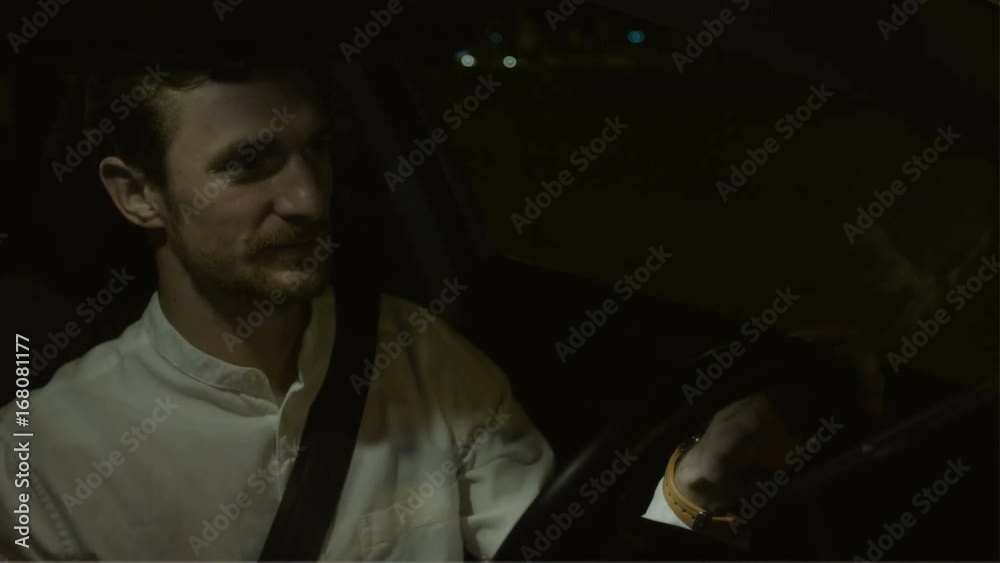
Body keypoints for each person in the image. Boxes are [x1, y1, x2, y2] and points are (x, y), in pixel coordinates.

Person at [0, 63, 877, 560]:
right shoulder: (37, 462)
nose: (309, 197)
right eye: (250, 163)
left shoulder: (415, 351)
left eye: (316, 151)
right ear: (138, 195)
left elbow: (551, 554)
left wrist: (700, 482)